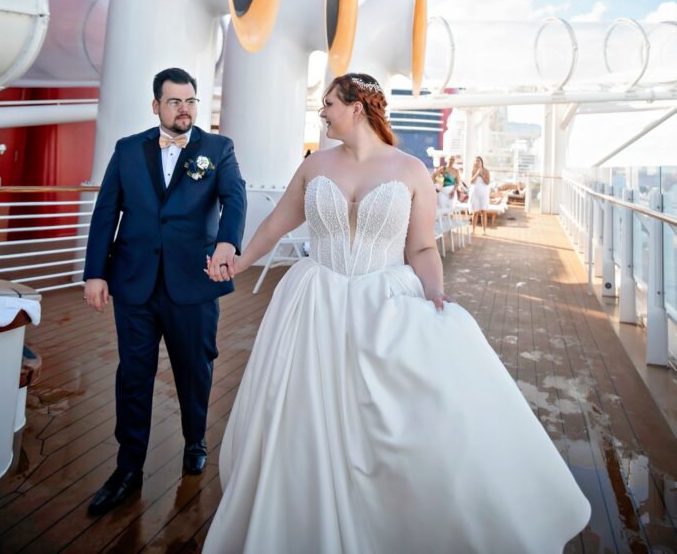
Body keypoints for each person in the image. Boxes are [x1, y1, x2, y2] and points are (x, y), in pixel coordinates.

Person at [203, 72, 590, 554]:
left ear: (356, 107)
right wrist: (238, 261)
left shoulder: (410, 171)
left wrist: (435, 294)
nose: (321, 112)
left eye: (328, 103)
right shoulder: (313, 166)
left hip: (383, 303)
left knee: (390, 419)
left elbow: (424, 245)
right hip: (314, 302)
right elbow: (277, 224)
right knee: (301, 414)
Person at [83, 67, 246, 515]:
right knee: (132, 376)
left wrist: (228, 241)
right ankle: (128, 468)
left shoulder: (217, 149)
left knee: (195, 369)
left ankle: (196, 440)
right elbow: (106, 212)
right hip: (134, 282)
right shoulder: (127, 149)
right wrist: (94, 272)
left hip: (193, 283)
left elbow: (235, 197)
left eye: (191, 101)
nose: (185, 109)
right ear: (156, 106)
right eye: (175, 102)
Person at [470, 154, 491, 234]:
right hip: (475, 194)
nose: (477, 162)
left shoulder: (486, 171)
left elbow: (487, 182)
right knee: (475, 212)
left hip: (484, 194)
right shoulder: (473, 171)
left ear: (482, 162)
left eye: (478, 160)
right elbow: (471, 182)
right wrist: (477, 173)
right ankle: (473, 230)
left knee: (483, 212)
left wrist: (481, 175)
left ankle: (484, 231)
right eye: (475, 161)